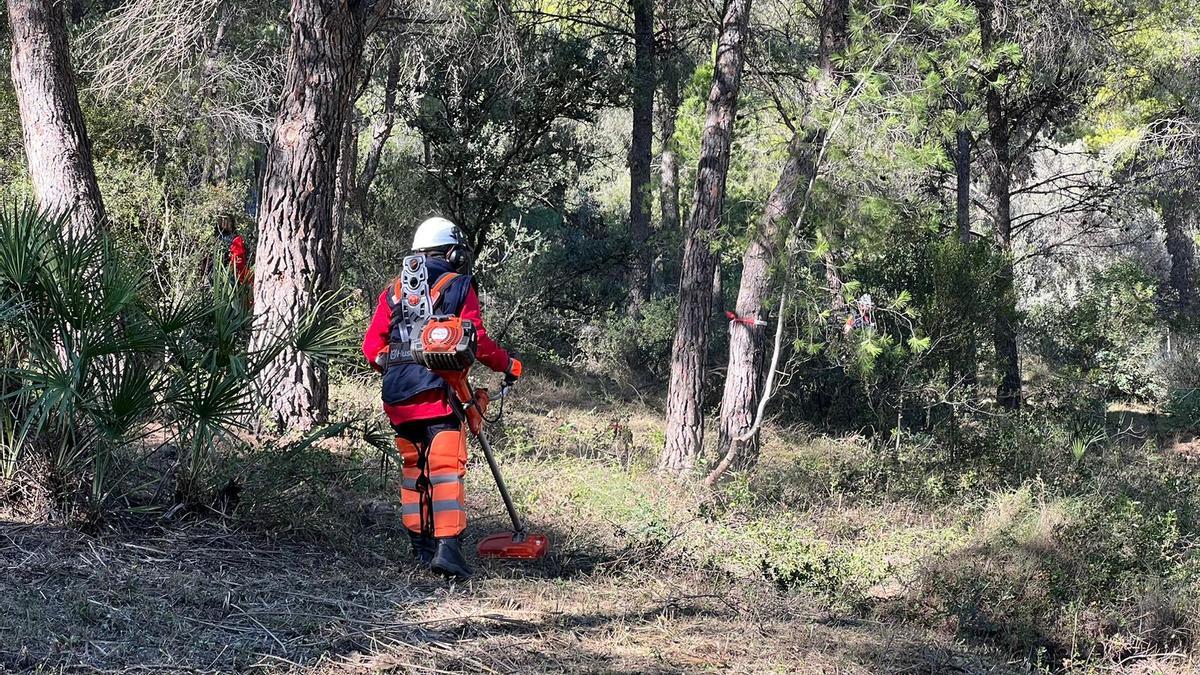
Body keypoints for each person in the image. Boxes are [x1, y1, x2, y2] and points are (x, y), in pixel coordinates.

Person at [361, 216, 522, 580]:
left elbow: (372, 347)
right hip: (438, 393)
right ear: (451, 252)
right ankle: (448, 549)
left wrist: (397, 363)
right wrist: (509, 364)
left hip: (397, 397)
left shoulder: (393, 291)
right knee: (446, 470)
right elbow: (476, 340)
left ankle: (422, 548)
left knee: (413, 469)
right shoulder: (460, 285)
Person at [215, 214, 251, 286]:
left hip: (228, 272)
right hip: (228, 273)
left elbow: (238, 259)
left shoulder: (235, 238)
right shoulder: (232, 239)